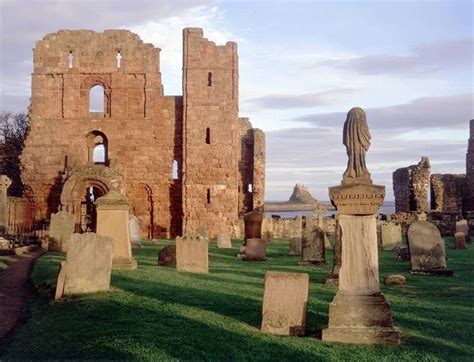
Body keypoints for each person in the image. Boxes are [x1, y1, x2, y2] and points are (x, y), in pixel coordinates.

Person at [342, 107, 371, 183]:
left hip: (354, 147)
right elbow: (367, 136)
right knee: (358, 156)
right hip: (357, 148)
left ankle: (353, 171)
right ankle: (359, 170)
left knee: (355, 156)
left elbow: (346, 140)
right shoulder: (361, 124)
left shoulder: (348, 125)